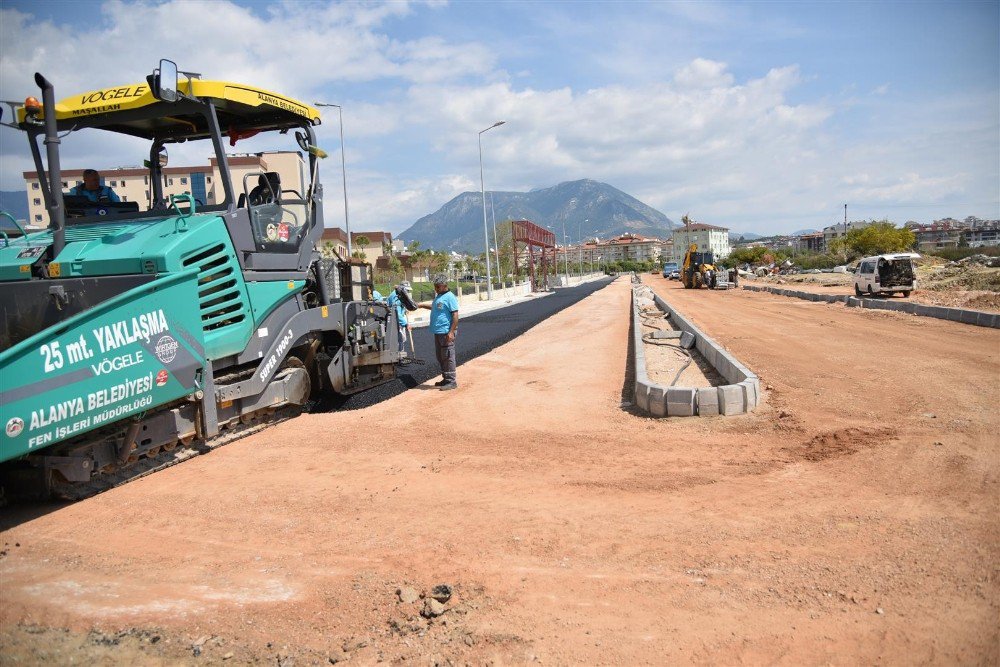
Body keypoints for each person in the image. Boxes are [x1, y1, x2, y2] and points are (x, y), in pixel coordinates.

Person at [418, 274, 459, 390]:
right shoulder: (439, 297)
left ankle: (451, 381)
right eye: (435, 286)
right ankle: (446, 378)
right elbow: (434, 307)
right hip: (438, 332)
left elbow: (455, 315)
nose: (435, 289)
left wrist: (451, 332)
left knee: (448, 356)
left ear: (444, 285)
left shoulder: (450, 297)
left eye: (438, 286)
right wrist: (421, 305)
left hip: (446, 332)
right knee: (440, 356)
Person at [385, 281, 412, 355]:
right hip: (395, 321)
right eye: (407, 290)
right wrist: (406, 324)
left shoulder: (398, 293)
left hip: (396, 320)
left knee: (400, 339)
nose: (407, 292)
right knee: (399, 339)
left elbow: (400, 308)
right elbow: (396, 313)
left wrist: (404, 309)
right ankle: (399, 357)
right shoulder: (396, 296)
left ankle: (399, 356)